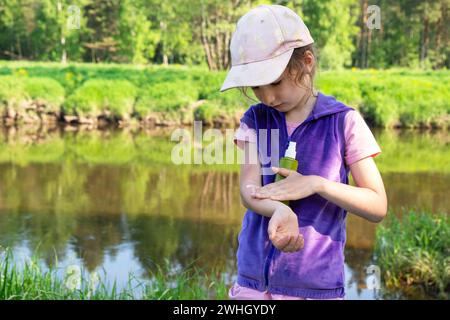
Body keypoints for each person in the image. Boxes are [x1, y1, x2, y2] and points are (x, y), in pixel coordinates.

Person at [219, 4, 387, 300]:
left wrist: (315, 184)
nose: (267, 97)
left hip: (315, 289)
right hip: (253, 286)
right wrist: (278, 209)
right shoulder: (255, 121)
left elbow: (377, 206)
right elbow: (249, 189)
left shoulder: (344, 122)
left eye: (275, 82)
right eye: (257, 87)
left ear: (306, 62)